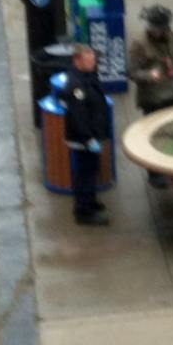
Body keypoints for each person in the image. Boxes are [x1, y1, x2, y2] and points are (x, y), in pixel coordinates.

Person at [129, 6, 173, 189]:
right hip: (153, 97)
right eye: (156, 29)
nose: (160, 32)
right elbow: (132, 71)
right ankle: (154, 173)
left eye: (162, 29)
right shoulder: (140, 44)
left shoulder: (170, 37)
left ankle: (171, 164)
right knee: (153, 134)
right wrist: (149, 75)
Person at [55, 44, 113, 224]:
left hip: (92, 134)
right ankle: (83, 211)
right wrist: (88, 139)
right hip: (83, 139)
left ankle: (90, 200)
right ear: (77, 60)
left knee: (91, 170)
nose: (93, 63)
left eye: (93, 60)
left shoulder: (88, 76)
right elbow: (78, 116)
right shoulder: (76, 85)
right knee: (85, 173)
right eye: (89, 60)